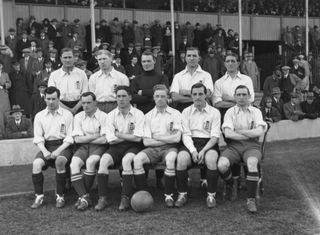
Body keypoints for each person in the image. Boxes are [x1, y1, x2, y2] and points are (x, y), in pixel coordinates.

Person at [218, 85, 267, 213]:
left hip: (252, 146)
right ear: (234, 97)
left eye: (244, 94)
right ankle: (231, 183)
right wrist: (249, 132)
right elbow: (228, 134)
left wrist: (239, 131)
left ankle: (250, 200)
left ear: (249, 97)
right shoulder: (230, 112)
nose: (241, 97)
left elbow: (259, 132)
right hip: (234, 146)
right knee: (221, 165)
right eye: (238, 95)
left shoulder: (256, 111)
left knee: (251, 163)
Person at [133, 84, 183, 207]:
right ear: (154, 98)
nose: (159, 99)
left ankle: (169, 196)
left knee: (171, 159)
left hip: (170, 148)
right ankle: (142, 194)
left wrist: (157, 137)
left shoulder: (176, 114)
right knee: (137, 159)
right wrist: (167, 139)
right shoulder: (148, 116)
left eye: (162, 96)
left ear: (168, 98)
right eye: (157, 96)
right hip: (152, 148)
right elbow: (146, 142)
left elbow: (177, 138)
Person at [95, 86, 144, 211]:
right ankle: (102, 198)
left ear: (130, 97)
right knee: (103, 161)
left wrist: (119, 134)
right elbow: (111, 139)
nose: (121, 99)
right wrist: (128, 136)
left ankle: (125, 197)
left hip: (133, 147)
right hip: (115, 146)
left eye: (124, 96)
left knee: (126, 161)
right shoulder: (110, 115)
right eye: (118, 96)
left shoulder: (138, 114)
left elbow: (138, 138)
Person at [175, 83, 221, 208]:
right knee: (181, 159)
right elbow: (186, 134)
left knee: (211, 159)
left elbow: (215, 136)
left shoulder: (215, 112)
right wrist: (194, 151)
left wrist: (204, 151)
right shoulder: (186, 111)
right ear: (191, 96)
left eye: (200, 94)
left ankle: (211, 195)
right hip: (191, 142)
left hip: (208, 143)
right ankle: (182, 194)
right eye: (194, 94)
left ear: (206, 95)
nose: (197, 97)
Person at [31, 86, 74, 209]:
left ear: (59, 99)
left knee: (60, 161)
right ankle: (39, 196)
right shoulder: (39, 116)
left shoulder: (67, 115)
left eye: (54, 99)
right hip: (47, 146)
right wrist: (45, 151)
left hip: (63, 146)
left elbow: (70, 138)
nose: (51, 102)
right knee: (36, 164)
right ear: (44, 98)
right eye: (48, 99)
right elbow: (38, 138)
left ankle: (60, 196)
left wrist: (58, 151)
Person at [70, 92, 108, 211]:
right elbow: (77, 139)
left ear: (95, 103)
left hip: (99, 147)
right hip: (84, 147)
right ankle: (85, 197)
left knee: (91, 162)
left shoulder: (104, 116)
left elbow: (105, 139)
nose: (85, 105)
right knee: (74, 164)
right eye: (83, 103)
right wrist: (95, 135)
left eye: (88, 102)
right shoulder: (78, 117)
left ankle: (83, 198)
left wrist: (87, 137)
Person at [171, 47, 214, 112]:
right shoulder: (178, 76)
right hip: (182, 110)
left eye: (194, 56)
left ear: (199, 58)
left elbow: (207, 94)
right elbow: (174, 97)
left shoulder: (206, 75)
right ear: (185, 58)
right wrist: (199, 96)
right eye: (189, 56)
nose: (191, 58)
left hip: (201, 110)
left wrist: (185, 92)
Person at [48, 48, 89, 115]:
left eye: (70, 57)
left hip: (79, 107)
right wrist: (68, 110)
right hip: (60, 107)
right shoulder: (54, 75)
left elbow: (85, 93)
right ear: (61, 58)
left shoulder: (81, 74)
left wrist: (75, 109)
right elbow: (52, 95)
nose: (67, 60)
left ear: (74, 58)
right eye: (65, 57)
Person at [213, 53, 255, 117]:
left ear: (238, 63)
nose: (230, 63)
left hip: (244, 115)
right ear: (224, 64)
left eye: (233, 61)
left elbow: (250, 100)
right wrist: (240, 101)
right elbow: (217, 104)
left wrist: (228, 98)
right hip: (225, 115)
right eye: (228, 61)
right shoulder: (219, 82)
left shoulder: (246, 80)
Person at [89, 49, 129, 114]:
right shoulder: (93, 77)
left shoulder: (122, 77)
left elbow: (126, 97)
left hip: (116, 106)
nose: (102, 62)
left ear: (111, 59)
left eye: (104, 59)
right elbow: (91, 97)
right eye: (99, 59)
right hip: (98, 107)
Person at [0, 60, 11, 139]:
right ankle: (1, 133)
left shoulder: (5, 74)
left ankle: (7, 133)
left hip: (4, 95)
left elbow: (9, 83)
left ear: (2, 66)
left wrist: (3, 86)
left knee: (6, 113)